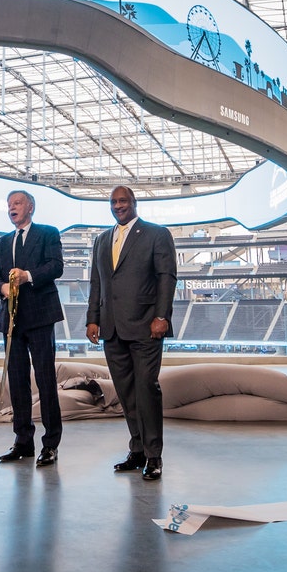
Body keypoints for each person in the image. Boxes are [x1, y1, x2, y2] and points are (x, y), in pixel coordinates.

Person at [86, 186, 176, 481]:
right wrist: (92, 320)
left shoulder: (156, 234)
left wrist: (162, 316)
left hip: (146, 326)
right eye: (113, 202)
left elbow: (166, 277)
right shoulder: (101, 240)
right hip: (111, 329)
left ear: (134, 202)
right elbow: (96, 284)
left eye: (123, 200)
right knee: (125, 392)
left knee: (146, 388)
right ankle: (137, 450)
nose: (118, 206)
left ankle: (154, 456)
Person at [0, 190, 65, 466]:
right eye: (9, 204)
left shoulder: (48, 233)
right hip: (12, 322)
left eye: (17, 203)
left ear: (30, 207)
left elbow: (57, 267)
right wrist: (3, 287)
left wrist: (27, 276)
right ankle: (23, 441)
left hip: (41, 318)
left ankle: (50, 444)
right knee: (18, 384)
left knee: (46, 382)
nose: (12, 208)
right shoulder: (2, 241)